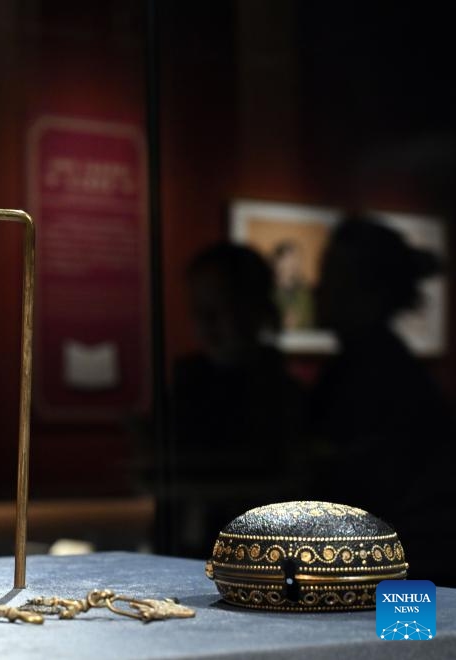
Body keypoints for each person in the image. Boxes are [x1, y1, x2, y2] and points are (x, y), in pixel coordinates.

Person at [308, 213, 455, 585]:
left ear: (368, 291)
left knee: (404, 640)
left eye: (332, 276)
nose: (318, 287)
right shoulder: (364, 368)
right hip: (393, 562)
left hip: (404, 566)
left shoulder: (382, 376)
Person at [168, 242, 307, 558]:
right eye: (198, 309)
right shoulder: (188, 383)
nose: (206, 322)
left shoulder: (276, 391)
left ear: (253, 309)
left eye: (221, 307)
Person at [271, 239, 315, 330]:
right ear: (277, 261)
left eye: (297, 258)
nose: (294, 263)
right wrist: (280, 322)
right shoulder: (268, 289)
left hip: (302, 340)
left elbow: (311, 319)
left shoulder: (305, 290)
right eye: (289, 258)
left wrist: (299, 321)